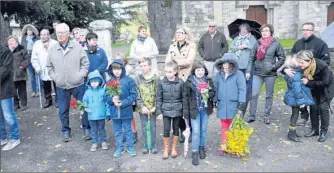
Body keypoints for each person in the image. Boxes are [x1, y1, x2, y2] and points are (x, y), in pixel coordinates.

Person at [46, 23, 91, 142]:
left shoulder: (77, 47)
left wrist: (80, 75)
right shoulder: (52, 49)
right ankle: (66, 131)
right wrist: (56, 77)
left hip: (78, 84)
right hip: (61, 85)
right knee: (63, 110)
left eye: (62, 32)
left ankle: (87, 128)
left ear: (68, 33)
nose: (60, 35)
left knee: (83, 107)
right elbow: (49, 66)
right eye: (58, 33)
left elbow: (85, 63)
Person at [287, 22, 331, 126]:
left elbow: (326, 61)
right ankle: (304, 115)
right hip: (300, 74)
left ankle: (315, 118)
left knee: (313, 98)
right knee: (298, 94)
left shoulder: (321, 44)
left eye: (308, 30)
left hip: (314, 76)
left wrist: (314, 71)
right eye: (304, 30)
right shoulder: (298, 43)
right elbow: (291, 58)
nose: (306, 32)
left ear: (312, 31)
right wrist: (287, 69)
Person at [246, 24, 286, 124]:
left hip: (270, 75)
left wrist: (273, 67)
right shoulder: (257, 43)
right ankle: (252, 115)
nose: (264, 32)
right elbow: (251, 58)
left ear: (270, 32)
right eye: (263, 31)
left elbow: (282, 58)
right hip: (257, 73)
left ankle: (266, 116)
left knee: (269, 95)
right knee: (254, 94)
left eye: (266, 31)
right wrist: (248, 71)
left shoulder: (276, 44)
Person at [165, 26, 196, 142]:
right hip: (175, 79)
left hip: (187, 78)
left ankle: (191, 130)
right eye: (177, 32)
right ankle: (182, 130)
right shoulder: (172, 46)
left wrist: (175, 63)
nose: (178, 34)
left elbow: (189, 61)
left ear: (186, 34)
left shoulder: (191, 45)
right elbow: (167, 61)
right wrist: (174, 65)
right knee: (179, 106)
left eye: (181, 32)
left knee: (187, 105)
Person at [295, 50, 334, 142]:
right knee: (313, 107)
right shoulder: (303, 66)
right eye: (299, 62)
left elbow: (325, 82)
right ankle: (315, 130)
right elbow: (291, 70)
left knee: (323, 108)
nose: (300, 64)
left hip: (327, 87)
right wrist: (286, 70)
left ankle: (323, 132)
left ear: (309, 60)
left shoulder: (322, 66)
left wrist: (308, 82)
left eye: (302, 62)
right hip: (314, 86)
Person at [183, 61, 216, 165]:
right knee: (196, 131)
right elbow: (185, 98)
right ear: (194, 71)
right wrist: (186, 113)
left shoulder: (208, 80)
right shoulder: (189, 82)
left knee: (203, 130)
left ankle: (201, 147)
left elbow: (213, 92)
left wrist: (208, 93)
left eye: (202, 70)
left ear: (204, 70)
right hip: (194, 110)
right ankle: (194, 152)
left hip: (205, 110)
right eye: (198, 70)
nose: (200, 72)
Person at [214, 53, 246, 156]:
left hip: (234, 105)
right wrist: (214, 102)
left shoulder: (239, 75)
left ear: (232, 65)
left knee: (235, 126)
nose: (225, 66)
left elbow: (242, 89)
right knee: (224, 126)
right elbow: (215, 89)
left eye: (228, 63)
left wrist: (241, 103)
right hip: (222, 104)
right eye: (224, 63)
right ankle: (224, 145)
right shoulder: (218, 75)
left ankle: (235, 146)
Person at [279, 54, 315, 142]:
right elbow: (297, 89)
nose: (300, 63)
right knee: (295, 115)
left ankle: (292, 131)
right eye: (299, 61)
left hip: (292, 96)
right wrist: (301, 102)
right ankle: (291, 133)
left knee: (294, 114)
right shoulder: (296, 74)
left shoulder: (291, 73)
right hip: (295, 98)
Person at [105, 59, 137, 157]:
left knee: (128, 130)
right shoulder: (109, 82)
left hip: (126, 111)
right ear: (111, 70)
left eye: (118, 69)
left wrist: (123, 102)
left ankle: (130, 146)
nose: (116, 71)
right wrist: (112, 100)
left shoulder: (129, 80)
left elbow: (133, 95)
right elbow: (105, 96)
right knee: (117, 131)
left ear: (122, 69)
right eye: (114, 69)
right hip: (114, 112)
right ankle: (120, 147)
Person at [156, 61, 184, 159]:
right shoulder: (162, 82)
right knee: (166, 129)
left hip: (177, 110)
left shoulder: (181, 82)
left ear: (175, 72)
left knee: (176, 128)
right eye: (166, 72)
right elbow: (158, 98)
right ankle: (166, 149)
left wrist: (184, 112)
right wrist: (159, 112)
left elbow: (184, 98)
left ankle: (174, 148)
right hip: (166, 110)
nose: (168, 74)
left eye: (170, 72)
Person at [230, 23, 258, 115]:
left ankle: (246, 104)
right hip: (238, 66)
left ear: (248, 30)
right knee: (240, 85)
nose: (243, 31)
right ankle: (239, 103)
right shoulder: (237, 39)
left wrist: (246, 46)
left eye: (245, 29)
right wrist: (239, 47)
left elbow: (255, 47)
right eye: (242, 29)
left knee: (248, 86)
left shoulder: (252, 38)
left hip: (248, 66)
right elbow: (232, 47)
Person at [134, 57, 159, 154]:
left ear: (149, 66)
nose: (143, 68)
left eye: (145, 65)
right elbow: (137, 93)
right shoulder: (137, 78)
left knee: (152, 126)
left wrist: (155, 106)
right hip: (143, 108)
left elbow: (158, 94)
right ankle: (146, 144)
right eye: (141, 66)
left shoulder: (155, 78)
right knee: (144, 126)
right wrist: (142, 106)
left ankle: (153, 144)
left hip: (152, 107)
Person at [83, 70, 110, 152]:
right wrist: (85, 107)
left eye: (96, 81)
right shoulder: (87, 92)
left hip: (101, 114)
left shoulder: (103, 91)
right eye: (92, 81)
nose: (94, 83)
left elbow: (107, 103)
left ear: (100, 81)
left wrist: (108, 113)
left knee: (102, 128)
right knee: (93, 129)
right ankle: (94, 142)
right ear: (89, 82)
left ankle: (103, 141)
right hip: (91, 115)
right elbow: (84, 101)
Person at [31, 29, 59, 108]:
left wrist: (48, 49)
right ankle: (48, 100)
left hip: (54, 68)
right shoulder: (37, 44)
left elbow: (58, 55)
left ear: (48, 35)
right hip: (43, 68)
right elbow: (34, 57)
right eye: (41, 35)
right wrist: (37, 67)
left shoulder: (55, 43)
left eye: (45, 35)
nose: (43, 36)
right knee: (46, 86)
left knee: (56, 84)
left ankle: (58, 100)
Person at [0, 45, 21, 151]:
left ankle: (14, 138)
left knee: (8, 115)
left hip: (5, 89)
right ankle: (2, 137)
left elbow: (5, 70)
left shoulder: (5, 51)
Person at [115, 53, 138, 143]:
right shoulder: (115, 71)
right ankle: (126, 133)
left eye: (120, 60)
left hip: (128, 97)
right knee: (122, 116)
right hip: (119, 97)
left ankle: (134, 133)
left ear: (124, 61)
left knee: (130, 116)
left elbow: (133, 84)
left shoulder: (129, 70)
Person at [8, 35, 31, 111]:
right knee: (13, 90)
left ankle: (24, 104)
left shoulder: (22, 49)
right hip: (10, 74)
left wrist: (23, 66)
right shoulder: (7, 50)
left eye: (12, 41)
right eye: (9, 41)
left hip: (21, 73)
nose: (10, 43)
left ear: (16, 41)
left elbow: (27, 58)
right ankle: (16, 104)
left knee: (22, 90)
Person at [21, 24, 41, 97]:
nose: (29, 31)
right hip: (27, 58)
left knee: (38, 74)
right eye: (28, 30)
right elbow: (22, 48)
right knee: (32, 75)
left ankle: (39, 90)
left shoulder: (37, 38)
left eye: (31, 30)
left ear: (33, 31)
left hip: (36, 57)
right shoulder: (24, 39)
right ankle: (34, 91)